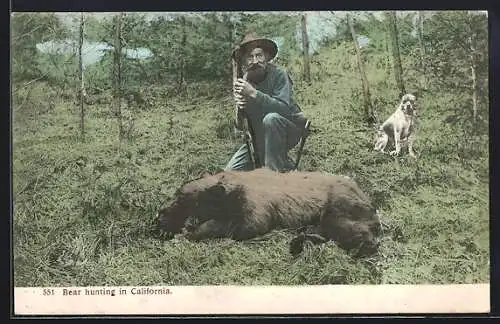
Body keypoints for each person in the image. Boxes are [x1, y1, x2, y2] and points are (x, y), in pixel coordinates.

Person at [225, 32, 307, 173]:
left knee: (271, 119)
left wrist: (253, 94)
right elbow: (240, 126)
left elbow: (284, 110)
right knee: (230, 172)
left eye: (259, 55)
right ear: (244, 61)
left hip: (288, 129)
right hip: (260, 136)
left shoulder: (279, 74)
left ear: (267, 57)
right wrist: (239, 107)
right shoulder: (244, 81)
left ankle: (273, 175)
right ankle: (283, 163)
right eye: (250, 57)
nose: (255, 61)